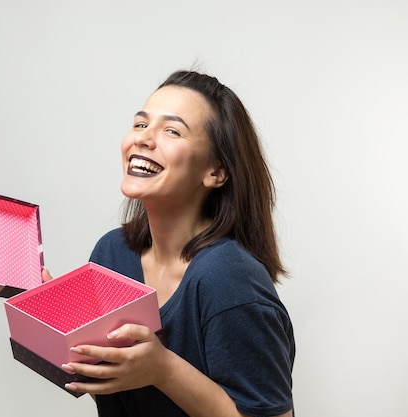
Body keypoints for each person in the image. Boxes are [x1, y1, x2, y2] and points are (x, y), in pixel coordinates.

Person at [50, 70, 295, 417]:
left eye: (172, 131)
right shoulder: (111, 254)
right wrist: (60, 332)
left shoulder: (229, 279)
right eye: (140, 124)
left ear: (216, 171)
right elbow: (119, 396)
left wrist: (164, 370)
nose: (144, 139)